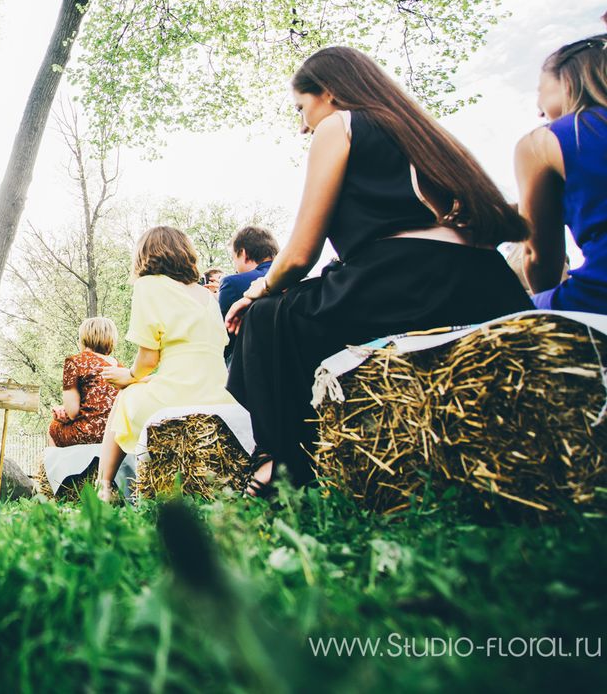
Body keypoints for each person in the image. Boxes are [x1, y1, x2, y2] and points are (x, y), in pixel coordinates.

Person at [226, 46, 532, 497]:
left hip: (400, 284)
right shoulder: (426, 133)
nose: (302, 125)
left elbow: (299, 255)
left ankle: (281, 466)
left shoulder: (339, 125)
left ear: (327, 93)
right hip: (483, 281)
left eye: (301, 108)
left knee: (268, 318)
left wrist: (256, 290)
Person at [94, 226, 237, 501]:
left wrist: (130, 376)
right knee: (140, 388)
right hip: (219, 396)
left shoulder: (149, 286)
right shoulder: (207, 296)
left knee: (125, 398)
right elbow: (195, 359)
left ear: (145, 255)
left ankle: (105, 486)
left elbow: (149, 359)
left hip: (177, 396)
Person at [514, 34, 607, 314]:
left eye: (540, 90)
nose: (539, 111)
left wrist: (546, 306)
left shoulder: (543, 142)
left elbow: (539, 258)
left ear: (567, 81)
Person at [47, 317, 121, 447]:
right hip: (117, 434)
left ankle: (59, 467)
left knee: (53, 428)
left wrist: (62, 414)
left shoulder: (75, 362)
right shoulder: (120, 367)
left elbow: (73, 413)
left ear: (84, 338)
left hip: (89, 432)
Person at [217, 227, 280, 319]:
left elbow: (225, 329)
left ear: (243, 253)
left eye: (233, 258)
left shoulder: (231, 283)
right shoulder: (295, 277)